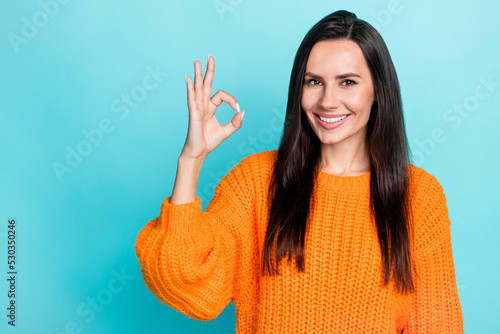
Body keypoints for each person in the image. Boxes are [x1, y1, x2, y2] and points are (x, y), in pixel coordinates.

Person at [135, 9, 464, 333]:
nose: (328, 101)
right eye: (314, 82)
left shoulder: (419, 195)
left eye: (347, 82)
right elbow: (180, 276)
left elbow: (437, 326)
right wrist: (191, 159)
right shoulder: (257, 181)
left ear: (377, 90)